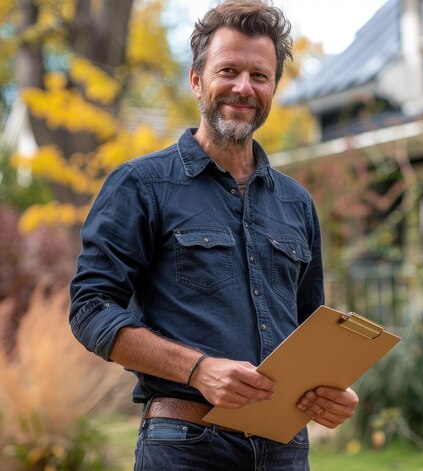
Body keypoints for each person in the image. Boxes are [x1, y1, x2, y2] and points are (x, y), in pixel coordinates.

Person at [69, 1, 358, 469]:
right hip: (186, 445)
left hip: (285, 450)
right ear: (197, 80)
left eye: (260, 76)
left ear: (273, 89)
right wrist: (197, 370)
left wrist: (330, 389)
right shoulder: (141, 185)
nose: (244, 88)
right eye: (229, 70)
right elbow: (90, 309)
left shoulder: (296, 203)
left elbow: (310, 328)